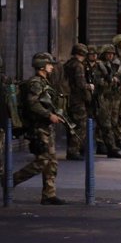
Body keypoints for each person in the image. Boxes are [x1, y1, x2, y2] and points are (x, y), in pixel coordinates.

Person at [13, 53, 66, 205]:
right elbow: (33, 104)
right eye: (49, 64)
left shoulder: (44, 82)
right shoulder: (36, 83)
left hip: (45, 126)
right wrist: (49, 115)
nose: (52, 66)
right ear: (42, 66)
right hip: (38, 127)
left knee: (52, 161)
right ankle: (11, 180)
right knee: (43, 160)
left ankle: (49, 194)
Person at [63, 43, 94, 160]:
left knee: (71, 125)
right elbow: (80, 84)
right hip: (77, 99)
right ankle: (74, 150)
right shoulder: (78, 66)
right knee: (81, 125)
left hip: (69, 99)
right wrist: (89, 86)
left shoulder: (68, 64)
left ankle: (73, 148)